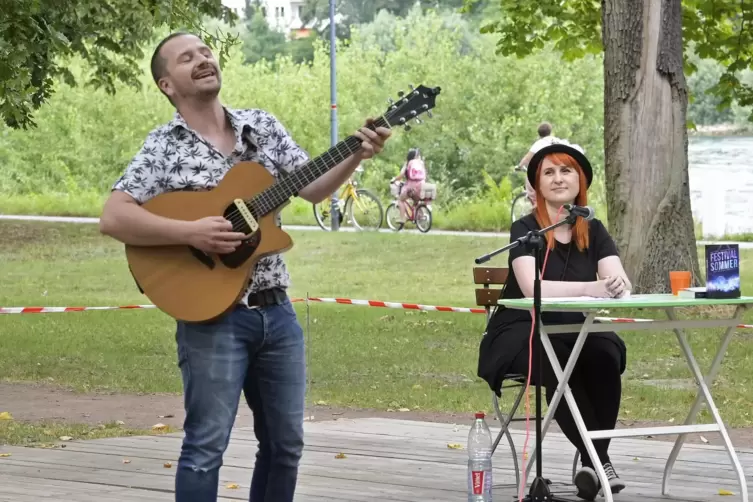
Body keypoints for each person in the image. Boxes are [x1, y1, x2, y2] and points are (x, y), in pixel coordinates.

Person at [98, 32, 392, 502]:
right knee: (204, 448)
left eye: (206, 52)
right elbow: (114, 217)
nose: (202, 60)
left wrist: (356, 152)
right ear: (166, 85)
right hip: (212, 318)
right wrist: (191, 233)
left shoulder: (262, 126)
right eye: (186, 58)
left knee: (285, 446)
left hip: (277, 312)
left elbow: (312, 188)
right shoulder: (163, 146)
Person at [477, 141, 631, 500]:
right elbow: (532, 287)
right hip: (520, 330)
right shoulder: (525, 229)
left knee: (606, 352)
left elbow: (614, 280)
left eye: (567, 171)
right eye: (549, 172)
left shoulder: (593, 229)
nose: (558, 178)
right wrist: (591, 288)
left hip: (573, 328)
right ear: (536, 185)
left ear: (580, 181)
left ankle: (594, 464)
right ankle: (601, 463)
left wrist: (616, 282)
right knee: (563, 363)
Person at [516, 122, 557, 207]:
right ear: (550, 131)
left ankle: (536, 207)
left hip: (544, 171)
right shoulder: (557, 141)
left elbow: (527, 158)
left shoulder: (539, 143)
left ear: (539, 134)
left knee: (531, 187)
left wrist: (519, 166)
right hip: (557, 170)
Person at [390, 147, 426, 230]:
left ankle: (402, 218)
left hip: (412, 187)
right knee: (416, 200)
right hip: (422, 186)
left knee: (401, 200)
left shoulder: (408, 163)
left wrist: (394, 180)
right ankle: (419, 215)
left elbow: (402, 175)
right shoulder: (421, 163)